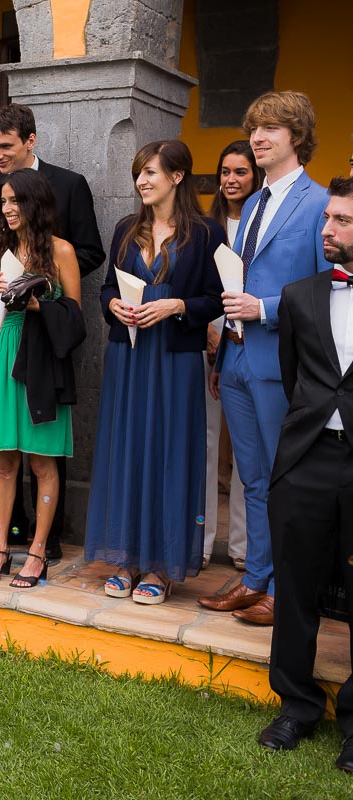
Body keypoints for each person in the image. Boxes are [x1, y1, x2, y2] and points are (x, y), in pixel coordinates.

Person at [199, 91, 331, 627]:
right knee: (252, 479)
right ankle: (256, 578)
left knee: (284, 481)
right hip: (233, 359)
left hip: (283, 362)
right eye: (254, 128)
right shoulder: (251, 203)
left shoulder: (321, 203)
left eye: (271, 128)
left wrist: (266, 309)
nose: (257, 137)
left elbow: (330, 287)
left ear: (296, 137)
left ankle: (284, 587)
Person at [84, 140, 224, 603]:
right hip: (129, 357)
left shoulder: (206, 234)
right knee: (128, 452)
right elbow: (105, 290)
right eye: (138, 173)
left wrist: (178, 304)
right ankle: (125, 557)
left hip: (176, 359)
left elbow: (215, 298)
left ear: (177, 176)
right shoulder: (126, 229)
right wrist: (115, 307)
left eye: (151, 172)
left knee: (169, 454)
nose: (142, 181)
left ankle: (162, 567)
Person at [0, 103, 104, 561]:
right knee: (2, 454)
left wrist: (39, 283)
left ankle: (47, 540)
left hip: (44, 340)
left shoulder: (69, 188)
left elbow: (89, 257)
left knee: (43, 451)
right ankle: (3, 536)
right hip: (1, 341)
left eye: (5, 146)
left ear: (30, 140)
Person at [256, 176, 353, 765]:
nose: (328, 229)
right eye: (328, 219)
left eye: (342, 220)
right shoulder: (299, 295)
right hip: (307, 458)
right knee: (294, 587)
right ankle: (295, 706)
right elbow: (296, 380)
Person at [0, 168, 84, 588]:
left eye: (15, 201)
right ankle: (1, 545)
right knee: (4, 460)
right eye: (3, 201)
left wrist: (37, 303)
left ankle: (37, 550)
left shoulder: (61, 251)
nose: (7, 209)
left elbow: (75, 317)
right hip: (1, 350)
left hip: (40, 357)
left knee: (41, 459)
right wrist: (1, 294)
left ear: (36, 203)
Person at [202, 141, 262, 568]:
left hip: (253, 337)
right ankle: (202, 542)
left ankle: (243, 548)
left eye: (240, 172)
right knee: (205, 442)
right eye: (225, 171)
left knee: (247, 449)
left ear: (255, 176)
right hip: (210, 333)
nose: (231, 180)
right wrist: (208, 328)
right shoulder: (207, 227)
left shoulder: (264, 222)